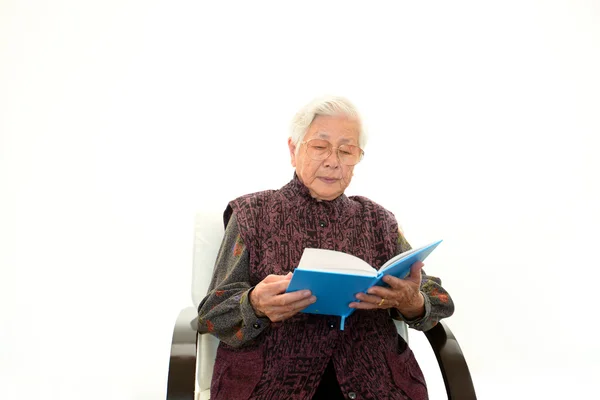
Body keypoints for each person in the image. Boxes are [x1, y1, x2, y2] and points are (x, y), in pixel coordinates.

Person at [197, 95, 454, 400]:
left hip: (375, 383)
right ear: (294, 150)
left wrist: (413, 302)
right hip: (273, 385)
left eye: (346, 151)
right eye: (320, 147)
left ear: (357, 159)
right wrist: (254, 304)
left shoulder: (377, 220)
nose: (333, 161)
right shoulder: (253, 213)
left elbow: (439, 299)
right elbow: (212, 313)